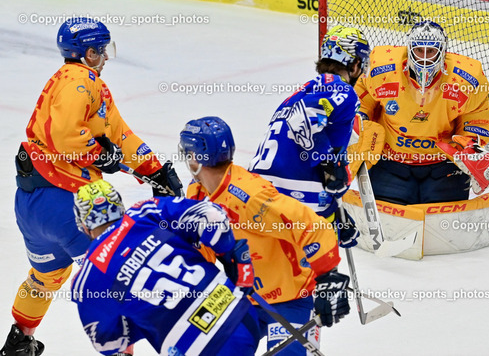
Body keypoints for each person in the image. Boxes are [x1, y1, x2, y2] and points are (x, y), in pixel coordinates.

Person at [2, 17, 182, 356]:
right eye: (101, 50)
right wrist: (100, 155)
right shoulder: (80, 81)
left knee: (47, 276)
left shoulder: (72, 80)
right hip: (66, 202)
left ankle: (19, 341)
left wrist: (154, 169)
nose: (106, 56)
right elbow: (66, 136)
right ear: (87, 53)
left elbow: (119, 135)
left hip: (32, 205)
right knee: (114, 278)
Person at [180, 117, 351, 355]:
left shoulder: (250, 196)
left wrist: (328, 278)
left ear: (195, 158)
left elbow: (312, 225)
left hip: (291, 297)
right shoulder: (198, 193)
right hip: (242, 296)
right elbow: (200, 249)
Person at [71, 179, 258, 355]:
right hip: (240, 315)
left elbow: (106, 342)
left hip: (195, 348)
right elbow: (213, 216)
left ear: (83, 225)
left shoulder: (88, 276)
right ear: (119, 207)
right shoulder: (144, 212)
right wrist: (228, 255)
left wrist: (142, 317)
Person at [352, 19, 489, 205]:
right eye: (420, 50)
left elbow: (476, 119)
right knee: (390, 222)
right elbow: (361, 99)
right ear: (409, 49)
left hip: (444, 166)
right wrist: (358, 123)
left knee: (444, 225)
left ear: (443, 52)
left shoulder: (467, 79)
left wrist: (470, 147)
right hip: (390, 162)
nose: (425, 58)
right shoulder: (382, 69)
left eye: (432, 51)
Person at [248, 25, 370, 245]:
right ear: (355, 64)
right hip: (293, 195)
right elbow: (301, 121)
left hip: (258, 191)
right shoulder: (343, 91)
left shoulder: (301, 92)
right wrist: (330, 163)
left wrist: (336, 214)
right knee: (315, 273)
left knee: (275, 272)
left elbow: (303, 133)